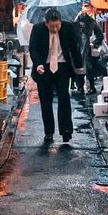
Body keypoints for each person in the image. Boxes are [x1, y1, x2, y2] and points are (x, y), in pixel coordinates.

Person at [29, 9, 83, 143]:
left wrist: (79, 65)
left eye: (57, 25)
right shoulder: (37, 29)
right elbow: (33, 48)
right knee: (45, 101)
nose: (55, 28)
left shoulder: (68, 27)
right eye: (52, 26)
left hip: (63, 67)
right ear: (46, 23)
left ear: (60, 22)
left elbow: (74, 47)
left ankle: (66, 130)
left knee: (64, 99)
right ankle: (49, 131)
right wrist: (38, 64)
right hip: (44, 68)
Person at [75, 12, 104, 95]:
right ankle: (80, 86)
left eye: (83, 22)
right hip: (80, 49)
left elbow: (100, 36)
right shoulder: (77, 25)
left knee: (89, 68)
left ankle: (91, 87)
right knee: (79, 68)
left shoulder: (93, 24)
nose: (82, 24)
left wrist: (94, 43)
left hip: (90, 50)